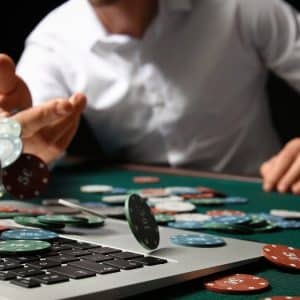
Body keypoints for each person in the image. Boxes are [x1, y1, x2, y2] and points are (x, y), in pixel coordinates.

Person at [3, 0, 300, 194]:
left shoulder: (242, 7)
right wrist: (14, 151)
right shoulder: (53, 39)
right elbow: (27, 139)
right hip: (146, 209)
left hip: (264, 189)